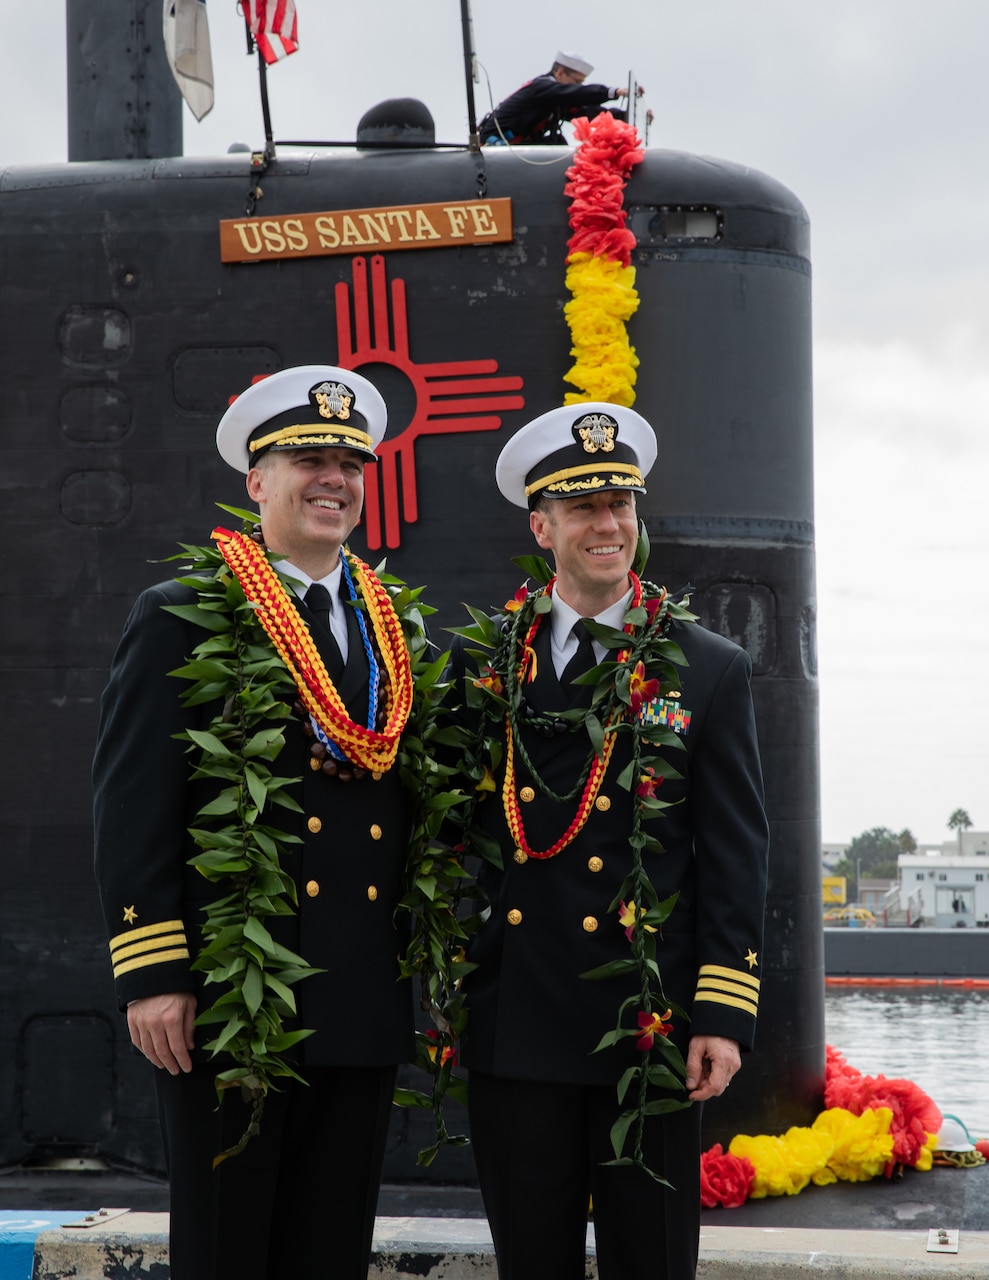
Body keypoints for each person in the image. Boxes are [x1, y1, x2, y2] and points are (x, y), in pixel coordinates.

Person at [93, 366, 429, 1280]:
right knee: (227, 1248)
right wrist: (153, 973)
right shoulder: (181, 614)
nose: (334, 480)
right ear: (256, 481)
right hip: (232, 994)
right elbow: (132, 803)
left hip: (357, 991)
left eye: (350, 464)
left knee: (330, 1250)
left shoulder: (392, 627)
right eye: (309, 460)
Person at [449, 403, 770, 1279]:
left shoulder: (706, 668)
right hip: (516, 1018)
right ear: (541, 527)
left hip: (646, 1026)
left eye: (620, 504)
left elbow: (735, 853)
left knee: (651, 1261)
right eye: (583, 507)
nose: (607, 525)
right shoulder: (483, 665)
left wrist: (722, 1014)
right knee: (531, 1262)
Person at [478, 50, 631, 146]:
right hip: (496, 146)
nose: (578, 87)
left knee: (558, 142)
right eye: (577, 82)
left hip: (519, 146)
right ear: (560, 73)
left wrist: (624, 117)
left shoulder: (557, 100)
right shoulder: (542, 88)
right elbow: (575, 94)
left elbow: (587, 112)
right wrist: (612, 92)